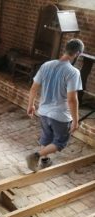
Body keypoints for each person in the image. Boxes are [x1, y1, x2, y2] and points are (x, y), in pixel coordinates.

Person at [26, 38, 84, 172]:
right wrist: (75, 120)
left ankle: (45, 161)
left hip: (44, 112)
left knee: (46, 138)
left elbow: (34, 87)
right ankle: (36, 156)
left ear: (66, 49)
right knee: (60, 142)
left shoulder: (46, 65)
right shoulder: (73, 72)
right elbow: (72, 100)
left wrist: (31, 105)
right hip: (60, 116)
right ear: (77, 54)